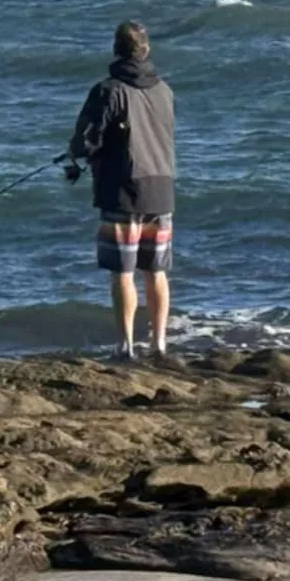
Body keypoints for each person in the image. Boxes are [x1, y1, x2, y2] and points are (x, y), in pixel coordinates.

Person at [68, 21, 177, 359]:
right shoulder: (165, 91)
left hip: (124, 190)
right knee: (156, 271)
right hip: (161, 188)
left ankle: (125, 347)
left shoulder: (108, 90)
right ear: (146, 50)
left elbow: (87, 138)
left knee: (123, 273)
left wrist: (76, 156)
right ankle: (159, 345)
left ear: (117, 50)